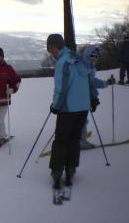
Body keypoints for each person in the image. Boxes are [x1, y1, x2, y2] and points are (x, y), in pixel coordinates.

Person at [46, 34, 93, 189]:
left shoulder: (63, 62)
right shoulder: (78, 58)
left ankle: (57, 171)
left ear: (57, 46)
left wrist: (55, 106)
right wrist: (93, 98)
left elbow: (60, 88)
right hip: (83, 107)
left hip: (68, 108)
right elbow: (89, 80)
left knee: (61, 140)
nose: (50, 52)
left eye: (51, 48)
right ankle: (71, 169)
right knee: (74, 139)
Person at [80, 45, 114, 148]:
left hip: (84, 97)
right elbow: (90, 84)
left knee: (80, 118)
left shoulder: (89, 67)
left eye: (96, 57)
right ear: (87, 55)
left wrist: (106, 83)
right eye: (92, 56)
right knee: (82, 119)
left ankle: (77, 137)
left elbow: (92, 83)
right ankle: (81, 141)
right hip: (80, 97)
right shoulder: (83, 67)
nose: (94, 59)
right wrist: (93, 97)